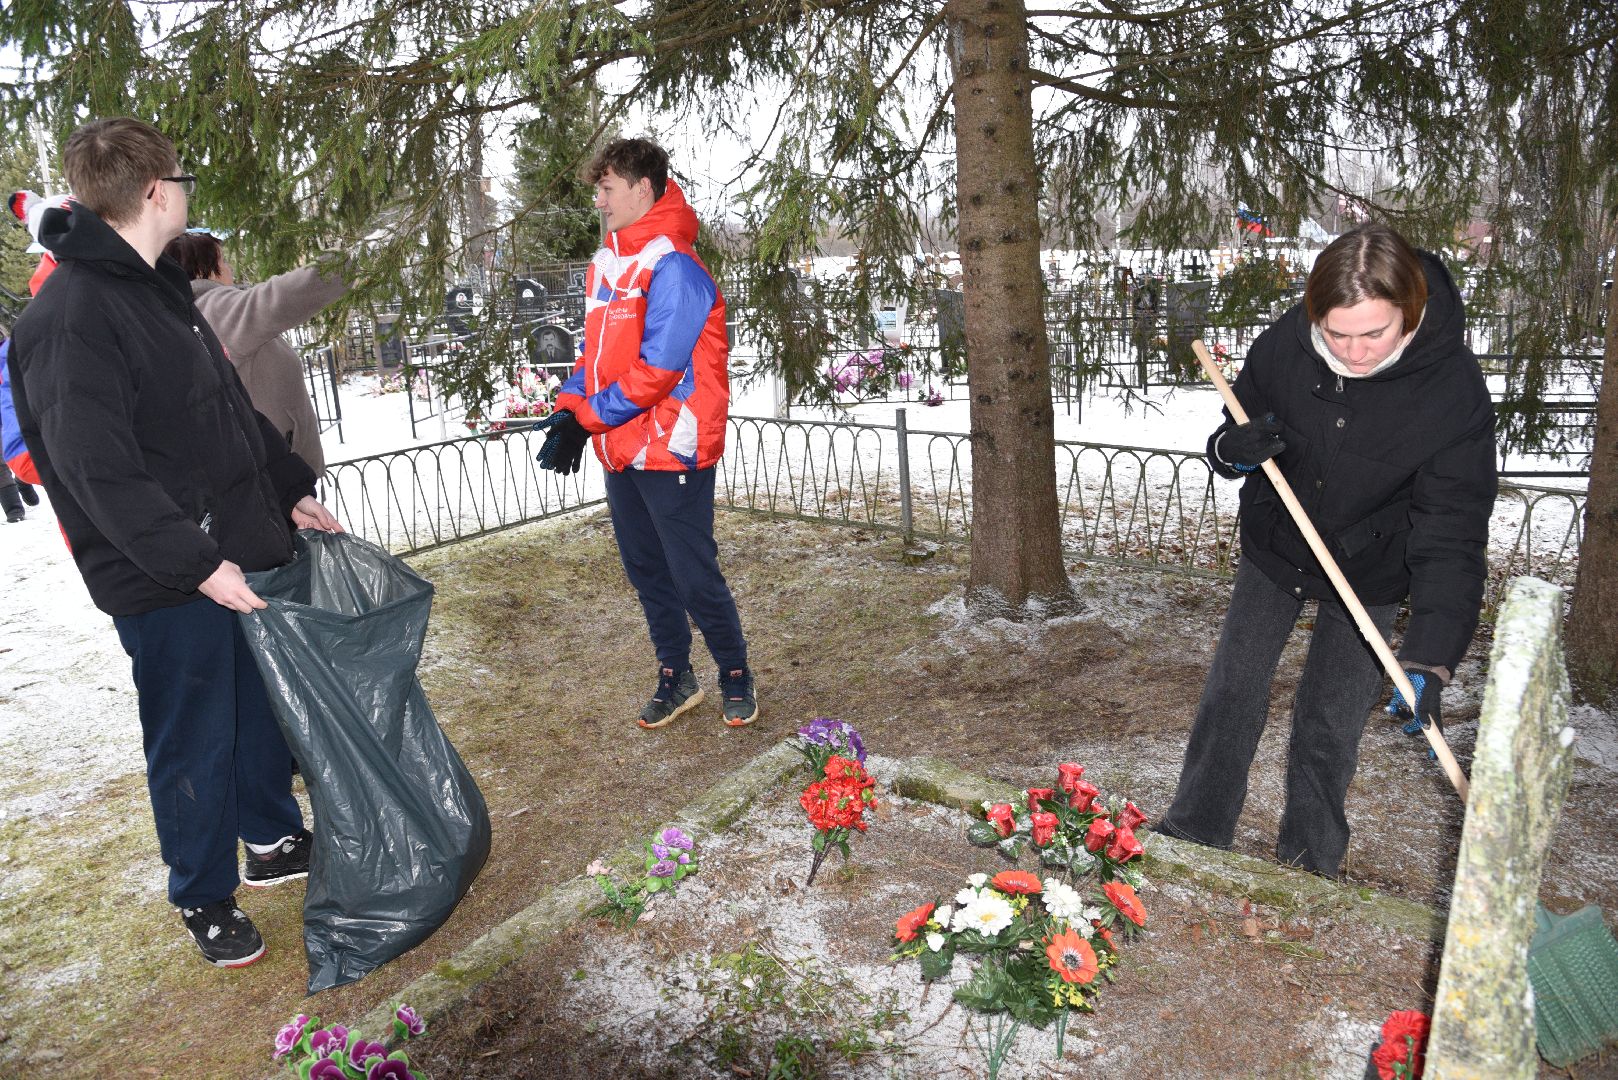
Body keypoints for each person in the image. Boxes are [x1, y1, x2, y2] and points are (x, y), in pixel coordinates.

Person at [7, 117, 344, 967]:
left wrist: (288, 489)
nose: (190, 193)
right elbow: (97, 472)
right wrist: (197, 565)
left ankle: (269, 839)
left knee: (254, 708)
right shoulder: (68, 316)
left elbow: (226, 414)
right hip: (165, 572)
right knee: (193, 728)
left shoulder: (158, 287)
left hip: (226, 544)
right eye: (183, 180)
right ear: (157, 191)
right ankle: (201, 893)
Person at [1157, 222, 1497, 878]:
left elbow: (1452, 533)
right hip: (1279, 541)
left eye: (1374, 333)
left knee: (1330, 717)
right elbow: (1236, 419)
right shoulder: (1288, 341)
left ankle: (1310, 862)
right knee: (1234, 688)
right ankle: (1195, 830)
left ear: (1411, 311)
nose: (1355, 350)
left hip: (1372, 565)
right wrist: (1233, 451)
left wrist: (1431, 657)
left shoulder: (1452, 392)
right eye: (1338, 334)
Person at [532, 137, 757, 730]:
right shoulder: (609, 263)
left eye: (606, 189)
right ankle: (675, 675)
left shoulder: (675, 267)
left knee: (691, 572)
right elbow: (595, 353)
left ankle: (734, 671)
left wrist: (589, 417)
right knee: (646, 570)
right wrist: (570, 404)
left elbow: (659, 369)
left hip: (671, 442)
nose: (600, 201)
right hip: (620, 445)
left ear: (641, 187)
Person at [163, 230, 346, 474]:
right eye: (223, 261)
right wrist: (347, 262)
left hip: (272, 468)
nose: (230, 269)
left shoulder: (199, 308)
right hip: (278, 473)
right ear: (204, 268)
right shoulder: (215, 306)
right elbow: (278, 299)